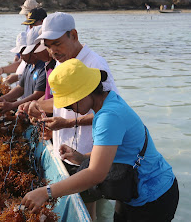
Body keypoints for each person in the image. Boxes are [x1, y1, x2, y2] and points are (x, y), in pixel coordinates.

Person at [21, 59, 179, 222]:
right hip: (134, 189)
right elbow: (118, 149)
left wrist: (46, 192)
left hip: (154, 196)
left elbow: (95, 174)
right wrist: (83, 157)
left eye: (69, 105)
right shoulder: (108, 102)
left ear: (84, 92)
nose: (69, 109)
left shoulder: (108, 117)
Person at [21, 12, 118, 219]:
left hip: (89, 155)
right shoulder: (62, 61)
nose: (52, 51)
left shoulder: (95, 65)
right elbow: (62, 101)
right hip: (66, 153)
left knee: (91, 212)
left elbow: (112, 114)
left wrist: (66, 123)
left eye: (57, 43)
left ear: (73, 35)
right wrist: (37, 105)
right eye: (48, 45)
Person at [0, 26, 46, 112]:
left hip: (38, 113)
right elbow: (20, 88)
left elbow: (38, 94)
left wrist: (12, 105)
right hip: (26, 112)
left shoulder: (44, 67)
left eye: (23, 52)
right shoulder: (28, 65)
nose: (21, 56)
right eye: (20, 53)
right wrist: (4, 98)